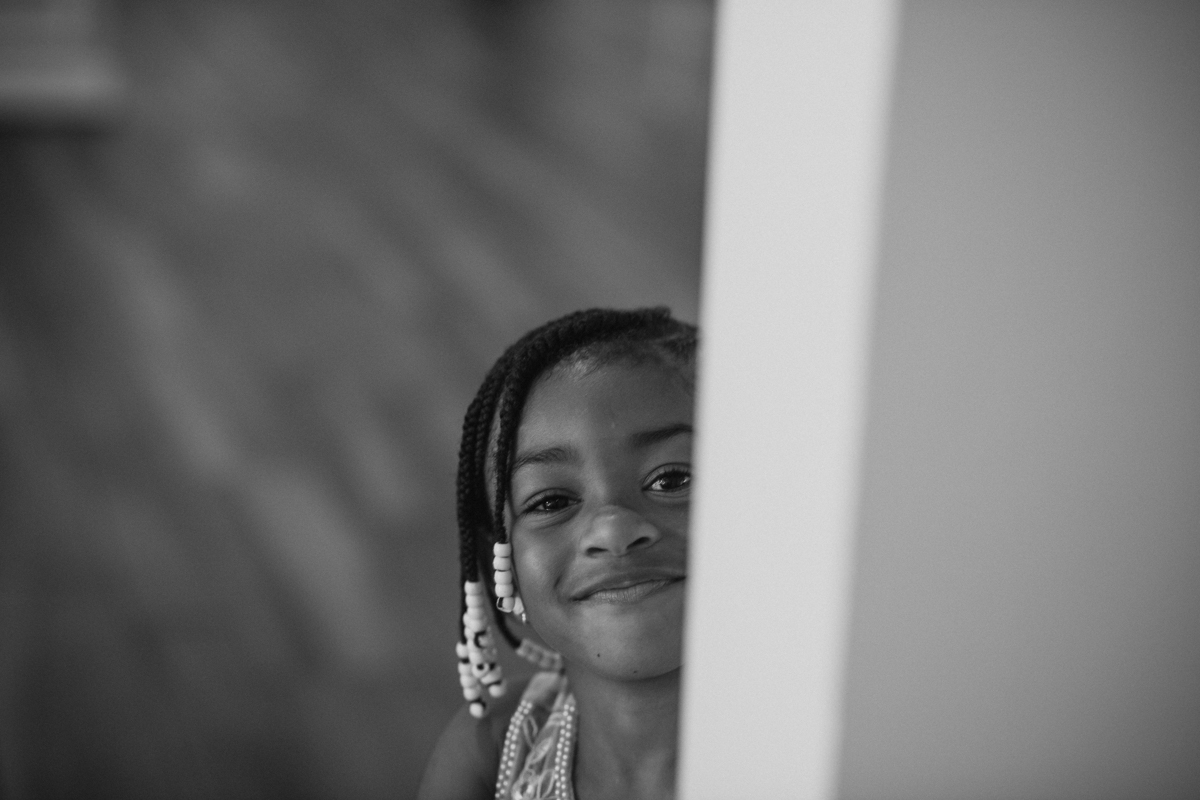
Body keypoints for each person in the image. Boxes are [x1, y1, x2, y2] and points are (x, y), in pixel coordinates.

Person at [418, 307, 696, 800]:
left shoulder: (831, 747)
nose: (613, 530)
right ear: (500, 561)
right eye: (551, 502)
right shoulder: (494, 749)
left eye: (672, 479)